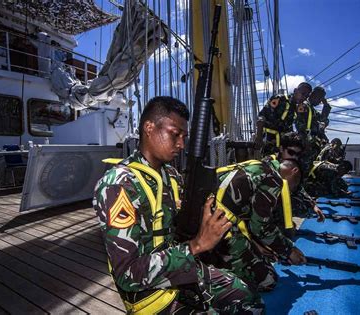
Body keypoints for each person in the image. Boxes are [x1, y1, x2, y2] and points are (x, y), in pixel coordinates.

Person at [93, 97, 264, 314]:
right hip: (149, 295)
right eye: (175, 134)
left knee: (246, 297)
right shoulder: (119, 185)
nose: (181, 144)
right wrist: (196, 245)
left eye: (184, 137)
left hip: (178, 269)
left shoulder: (170, 176)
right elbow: (128, 274)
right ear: (149, 128)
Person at [211, 156, 307, 292]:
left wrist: (258, 246)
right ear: (294, 171)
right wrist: (289, 251)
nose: (291, 189)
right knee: (269, 280)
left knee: (262, 256)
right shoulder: (273, 179)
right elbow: (261, 227)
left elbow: (246, 216)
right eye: (295, 184)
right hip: (220, 229)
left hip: (209, 220)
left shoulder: (257, 165)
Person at [255, 82, 312, 153]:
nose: (304, 98)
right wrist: (258, 137)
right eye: (303, 94)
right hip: (269, 142)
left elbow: (300, 128)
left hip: (284, 146)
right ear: (295, 91)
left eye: (306, 97)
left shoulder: (298, 109)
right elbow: (261, 116)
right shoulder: (279, 99)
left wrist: (305, 141)